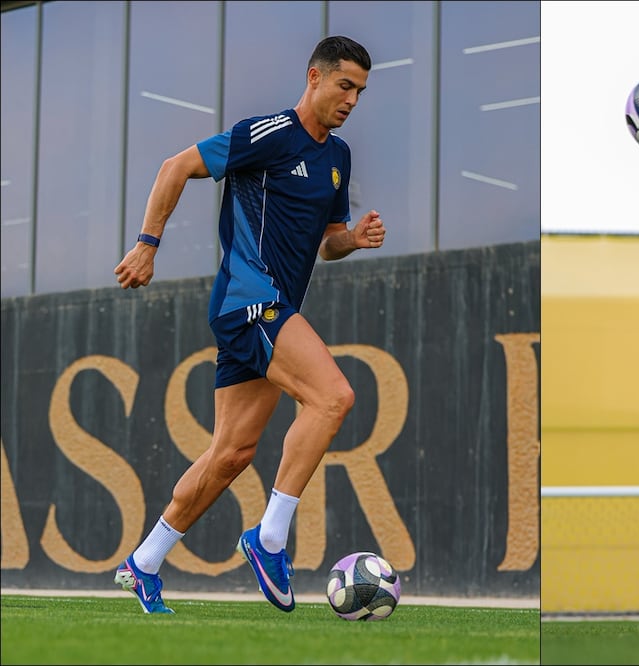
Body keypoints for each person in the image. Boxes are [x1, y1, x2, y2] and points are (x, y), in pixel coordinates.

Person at [111, 35, 386, 614]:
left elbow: (326, 245)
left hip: (271, 310)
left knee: (232, 453)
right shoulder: (265, 135)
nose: (353, 100)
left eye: (360, 91)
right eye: (344, 86)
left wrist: (352, 240)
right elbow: (176, 167)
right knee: (334, 397)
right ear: (314, 77)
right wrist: (146, 245)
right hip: (250, 302)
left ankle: (144, 562)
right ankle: (269, 540)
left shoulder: (338, 158)